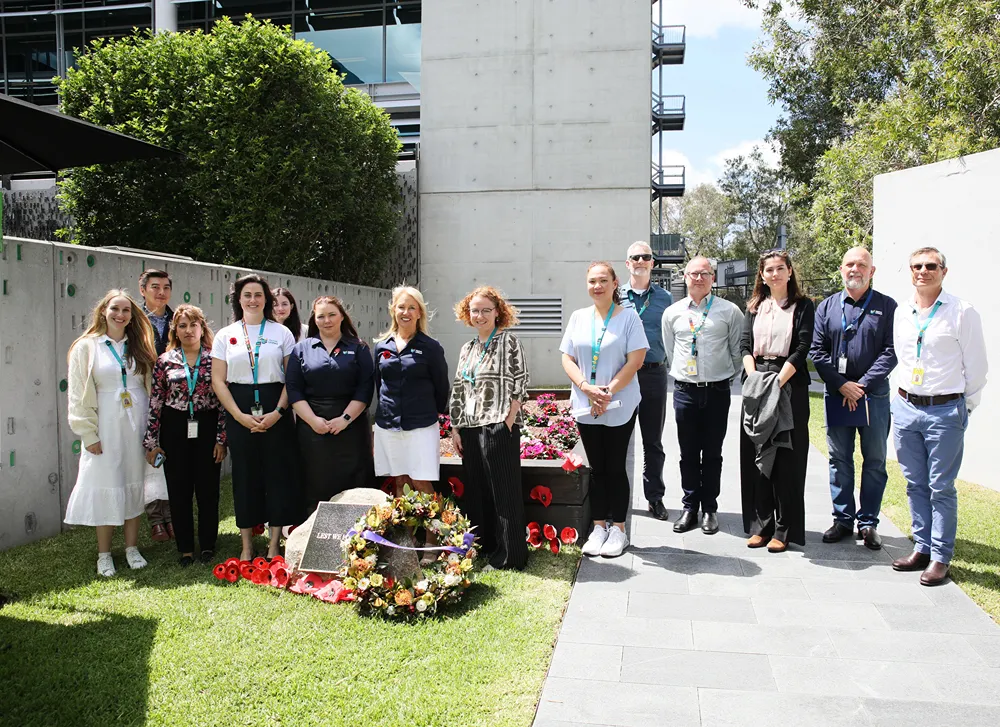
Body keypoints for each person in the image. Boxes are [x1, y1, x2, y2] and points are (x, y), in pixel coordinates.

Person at [890, 247, 987, 586]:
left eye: (931, 266)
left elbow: (977, 367)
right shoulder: (903, 311)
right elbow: (903, 357)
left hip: (945, 410)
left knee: (940, 486)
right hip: (906, 407)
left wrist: (965, 407)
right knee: (915, 483)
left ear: (944, 271)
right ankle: (922, 546)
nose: (923, 271)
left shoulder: (962, 312)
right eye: (917, 266)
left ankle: (941, 557)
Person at [65, 289, 167, 576]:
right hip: (106, 427)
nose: (120, 315)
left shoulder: (140, 346)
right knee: (107, 486)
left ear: (132, 317)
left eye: (126, 311)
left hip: (137, 425)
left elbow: (151, 389)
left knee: (134, 485)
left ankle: (132, 548)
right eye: (115, 309)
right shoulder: (87, 347)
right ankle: (104, 554)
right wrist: (89, 434)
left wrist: (152, 433)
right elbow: (76, 394)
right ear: (103, 311)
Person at [810, 247, 897, 550]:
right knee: (839, 459)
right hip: (837, 394)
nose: (855, 269)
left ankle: (869, 523)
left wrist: (860, 386)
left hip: (873, 397)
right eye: (850, 264)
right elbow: (817, 352)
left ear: (872, 271)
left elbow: (891, 351)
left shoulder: (888, 307)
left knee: (874, 460)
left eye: (862, 264)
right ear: (841, 268)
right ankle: (843, 519)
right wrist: (842, 384)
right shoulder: (827, 307)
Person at [211, 274, 303, 561]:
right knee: (245, 477)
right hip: (239, 408)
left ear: (267, 299)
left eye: (258, 295)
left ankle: (274, 543)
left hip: (276, 406)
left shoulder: (282, 334)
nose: (253, 300)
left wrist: (278, 412)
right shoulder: (225, 335)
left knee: (277, 474)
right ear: (238, 299)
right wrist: (237, 415)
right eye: (247, 294)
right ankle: (247, 544)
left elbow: (292, 379)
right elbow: (217, 380)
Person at [561, 262, 648, 558]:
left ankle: (619, 530)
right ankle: (599, 527)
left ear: (615, 283)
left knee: (614, 466)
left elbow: (635, 361)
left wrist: (607, 392)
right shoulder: (578, 317)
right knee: (596, 468)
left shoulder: (629, 318)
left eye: (603, 280)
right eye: (592, 281)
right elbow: (567, 359)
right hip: (587, 403)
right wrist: (587, 388)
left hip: (618, 402)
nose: (597, 286)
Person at [449, 286, 530, 571]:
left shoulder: (508, 342)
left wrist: (507, 421)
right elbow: (459, 388)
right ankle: (485, 549)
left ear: (498, 313)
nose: (480, 315)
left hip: (497, 426)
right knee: (478, 492)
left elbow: (521, 382)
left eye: (486, 310)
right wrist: (456, 428)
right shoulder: (468, 348)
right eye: (474, 310)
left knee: (504, 493)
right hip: (470, 428)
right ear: (467, 314)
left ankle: (512, 556)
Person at [662, 257, 743, 535]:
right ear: (685, 277)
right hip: (685, 392)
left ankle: (709, 507)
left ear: (713, 278)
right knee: (687, 452)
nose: (699, 278)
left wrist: (722, 378)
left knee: (712, 453)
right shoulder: (672, 313)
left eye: (705, 274)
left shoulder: (730, 311)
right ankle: (689, 507)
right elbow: (670, 351)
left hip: (717, 391)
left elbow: (737, 351)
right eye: (694, 274)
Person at [740, 250, 814, 552]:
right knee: (757, 457)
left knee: (787, 460)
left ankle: (784, 529)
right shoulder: (755, 306)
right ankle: (760, 526)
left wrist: (777, 383)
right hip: (758, 381)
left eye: (780, 268)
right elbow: (744, 345)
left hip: (789, 383)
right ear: (762, 274)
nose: (774, 274)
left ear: (790, 271)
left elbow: (802, 346)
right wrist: (756, 381)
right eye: (768, 269)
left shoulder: (804, 306)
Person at [144, 305, 228, 567]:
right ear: (175, 331)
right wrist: (151, 443)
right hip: (175, 428)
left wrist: (220, 439)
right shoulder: (165, 361)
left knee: (207, 490)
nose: (188, 330)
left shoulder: (215, 359)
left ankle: (207, 545)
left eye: (193, 325)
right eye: (182, 326)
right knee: (179, 490)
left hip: (206, 426)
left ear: (202, 328)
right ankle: (185, 548)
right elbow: (156, 402)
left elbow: (224, 402)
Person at [286, 296, 375, 513]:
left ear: (342, 316)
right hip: (312, 429)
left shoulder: (359, 348)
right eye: (321, 316)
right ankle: (314, 538)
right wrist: (313, 421)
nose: (327, 320)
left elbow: (365, 389)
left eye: (332, 314)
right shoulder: (301, 349)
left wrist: (345, 419)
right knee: (315, 482)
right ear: (314, 320)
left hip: (351, 428)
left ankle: (359, 542)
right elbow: (294, 390)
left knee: (354, 486)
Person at [373, 286, 450, 502]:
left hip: (421, 426)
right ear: (393, 311)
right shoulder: (381, 347)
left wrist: (426, 411)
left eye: (411, 308)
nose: (405, 312)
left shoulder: (431, 347)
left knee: (421, 482)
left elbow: (441, 387)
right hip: (389, 425)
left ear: (419, 313)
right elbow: (380, 385)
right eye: (401, 307)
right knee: (400, 481)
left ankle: (431, 536)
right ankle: (405, 536)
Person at [619, 241, 673, 521]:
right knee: (620, 439)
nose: (640, 260)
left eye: (646, 257)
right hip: (624, 375)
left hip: (653, 374)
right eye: (634, 257)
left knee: (653, 441)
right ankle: (620, 501)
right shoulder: (615, 296)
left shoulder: (665, 298)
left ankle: (655, 498)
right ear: (627, 263)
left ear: (652, 263)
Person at [138, 268, 174, 542]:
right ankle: (155, 518)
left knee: (173, 454)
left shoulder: (178, 320)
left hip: (176, 398)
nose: (160, 292)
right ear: (143, 290)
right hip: (144, 394)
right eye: (154, 287)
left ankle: (172, 514)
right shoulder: (134, 321)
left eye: (165, 287)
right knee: (151, 455)